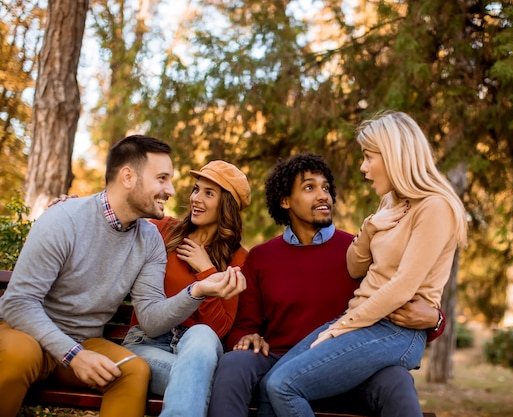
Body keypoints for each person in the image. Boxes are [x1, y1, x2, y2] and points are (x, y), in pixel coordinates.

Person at [0, 135, 245, 417]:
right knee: (20, 356)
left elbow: (151, 319)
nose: (172, 190)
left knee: (133, 371)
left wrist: (196, 291)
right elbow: (18, 303)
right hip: (27, 333)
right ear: (128, 176)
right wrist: (73, 354)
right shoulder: (64, 218)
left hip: (85, 341)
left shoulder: (150, 239)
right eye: (162, 178)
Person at [260, 111, 468, 417]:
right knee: (268, 386)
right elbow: (355, 268)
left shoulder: (435, 207)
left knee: (283, 385)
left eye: (369, 157)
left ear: (395, 155)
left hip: (396, 330)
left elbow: (403, 287)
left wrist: (339, 328)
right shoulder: (389, 202)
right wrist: (371, 225)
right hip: (362, 320)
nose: (363, 167)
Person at [207, 153, 445, 417]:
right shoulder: (262, 257)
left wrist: (436, 321)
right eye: (309, 188)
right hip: (280, 360)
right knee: (234, 363)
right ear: (285, 201)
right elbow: (243, 325)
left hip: (348, 364)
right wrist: (246, 338)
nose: (323, 196)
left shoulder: (358, 250)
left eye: (326, 188)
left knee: (397, 380)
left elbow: (402, 297)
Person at [120, 160, 251, 417]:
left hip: (198, 351)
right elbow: (116, 215)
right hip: (146, 344)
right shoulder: (162, 230)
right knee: (203, 383)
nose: (196, 199)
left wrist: (206, 272)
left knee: (201, 334)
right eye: (196, 189)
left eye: (208, 193)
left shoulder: (239, 259)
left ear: (227, 206)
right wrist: (75, 205)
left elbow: (218, 330)